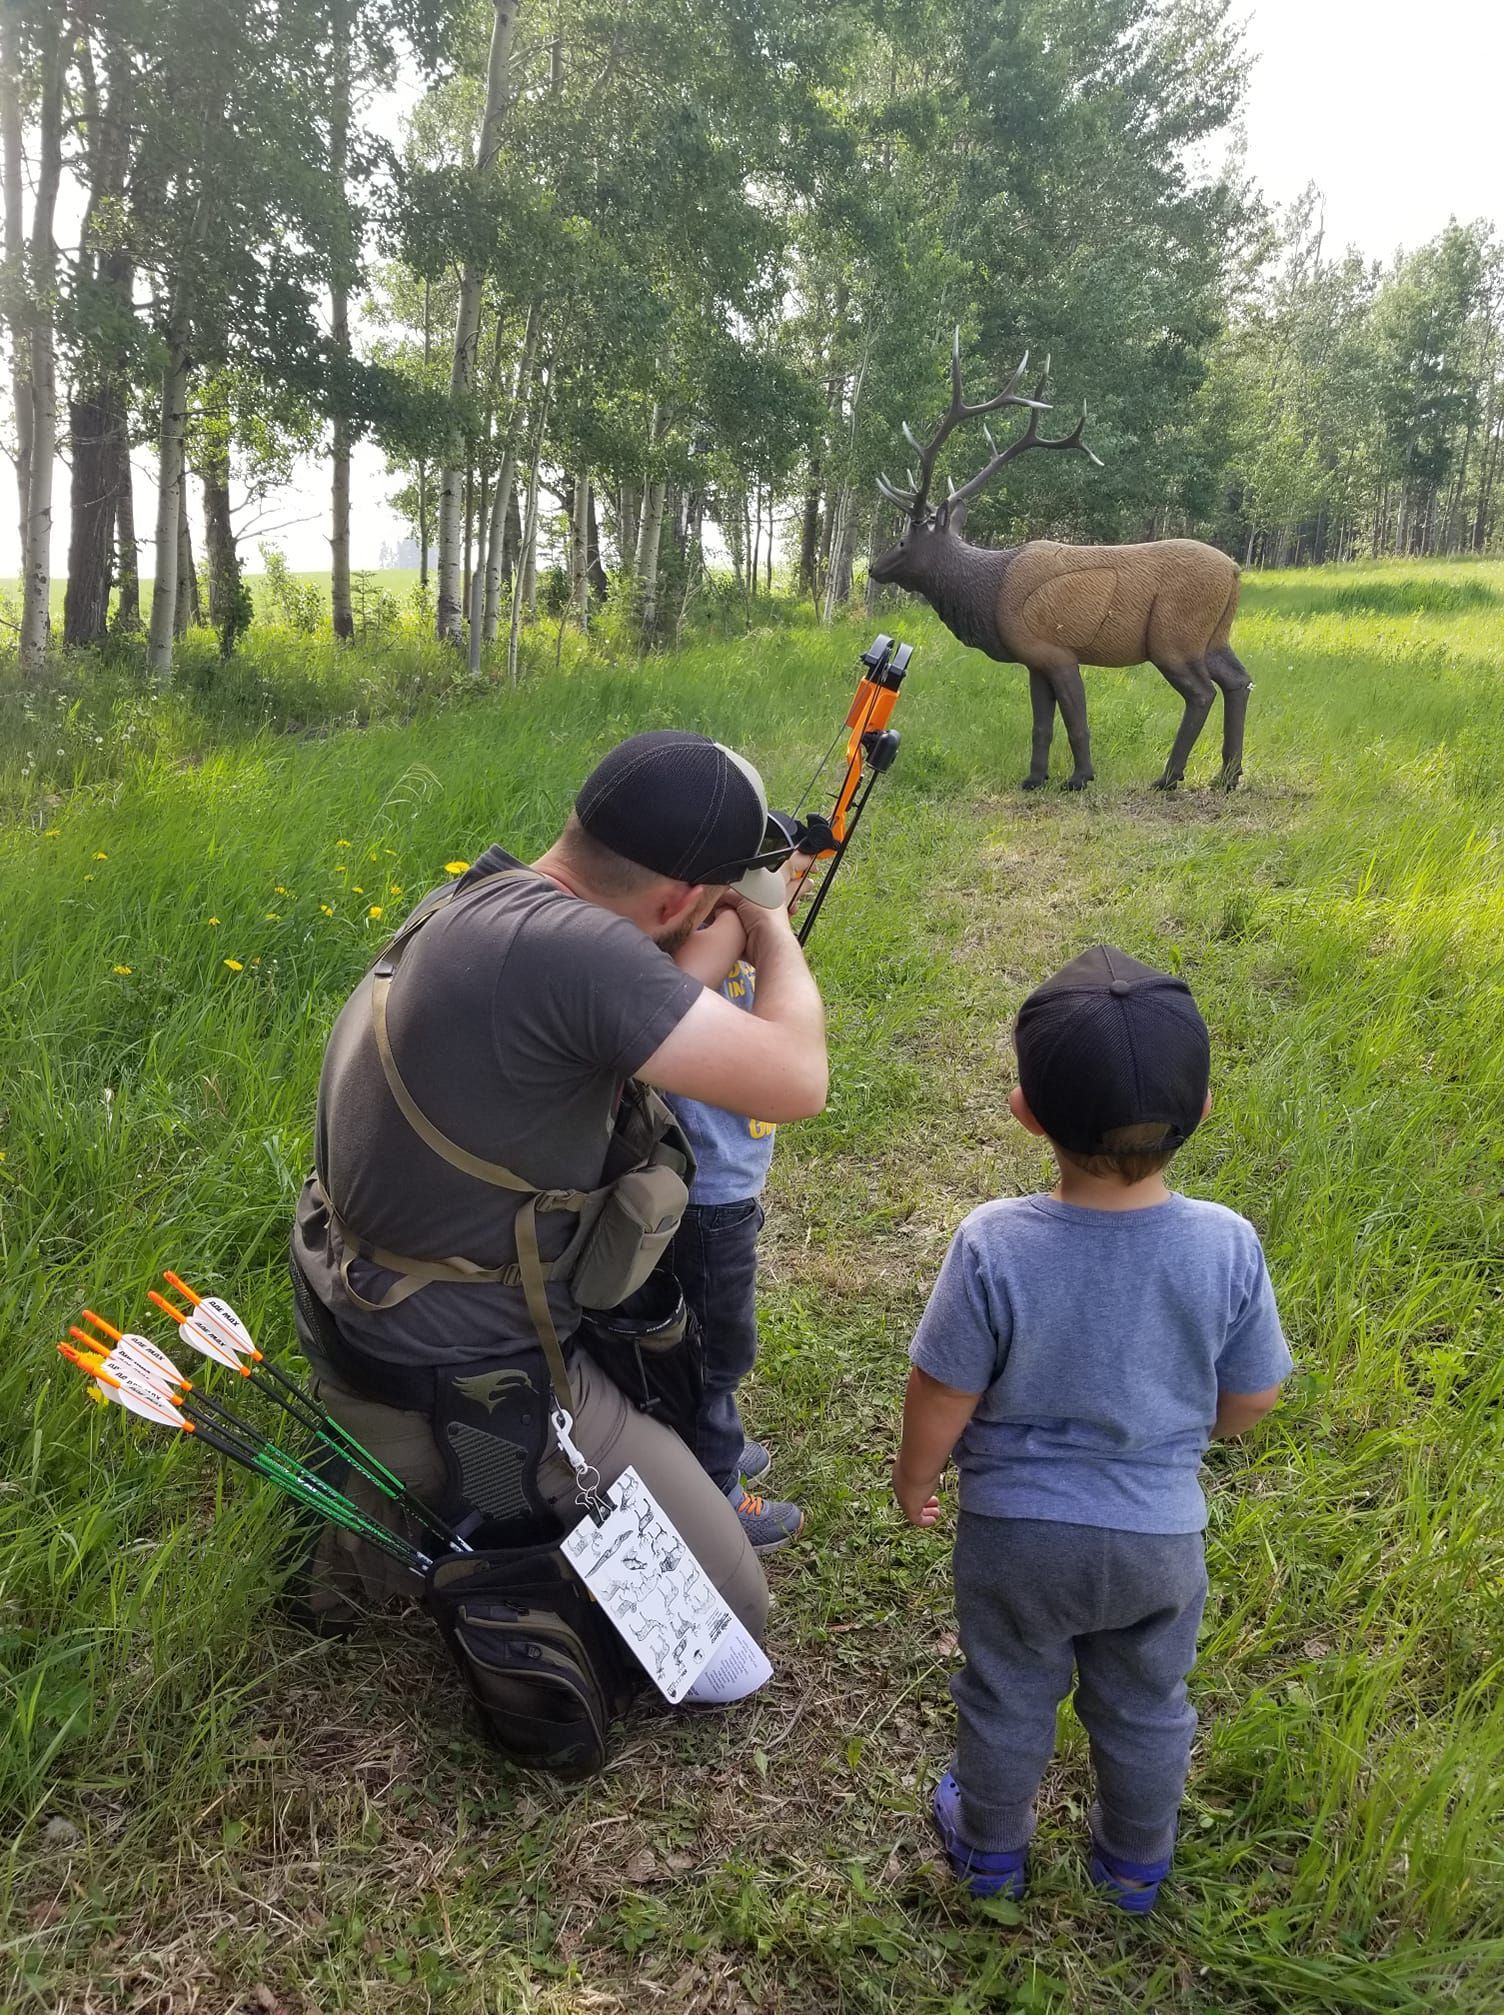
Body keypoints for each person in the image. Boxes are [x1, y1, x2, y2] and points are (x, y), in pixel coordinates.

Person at [289, 729, 827, 1639]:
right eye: (711, 905)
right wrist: (769, 925)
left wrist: (725, 917)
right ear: (677, 897)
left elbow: (645, 1006)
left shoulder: (490, 901)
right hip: (468, 1384)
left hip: (370, 1319)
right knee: (729, 1612)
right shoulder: (575, 958)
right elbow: (796, 1076)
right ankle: (479, 1497)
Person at [891, 946, 1291, 1912]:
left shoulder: (993, 1242)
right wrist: (1206, 1431)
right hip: (1161, 1539)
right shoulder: (1227, 1242)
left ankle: (989, 1853)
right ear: (1200, 1113)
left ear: (1025, 1109)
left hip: (1020, 1539)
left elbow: (941, 1388)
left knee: (1007, 1696)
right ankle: (1133, 1864)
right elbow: (1252, 1399)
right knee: (1150, 1705)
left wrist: (915, 1481)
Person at [666, 872, 811, 1552]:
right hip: (704, 1197)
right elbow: (682, 983)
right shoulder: (676, 949)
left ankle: (709, 1433)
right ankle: (716, 1485)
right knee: (715, 1348)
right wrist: (750, 917)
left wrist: (762, 910)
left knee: (713, 1339)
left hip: (729, 1189)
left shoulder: (715, 923)